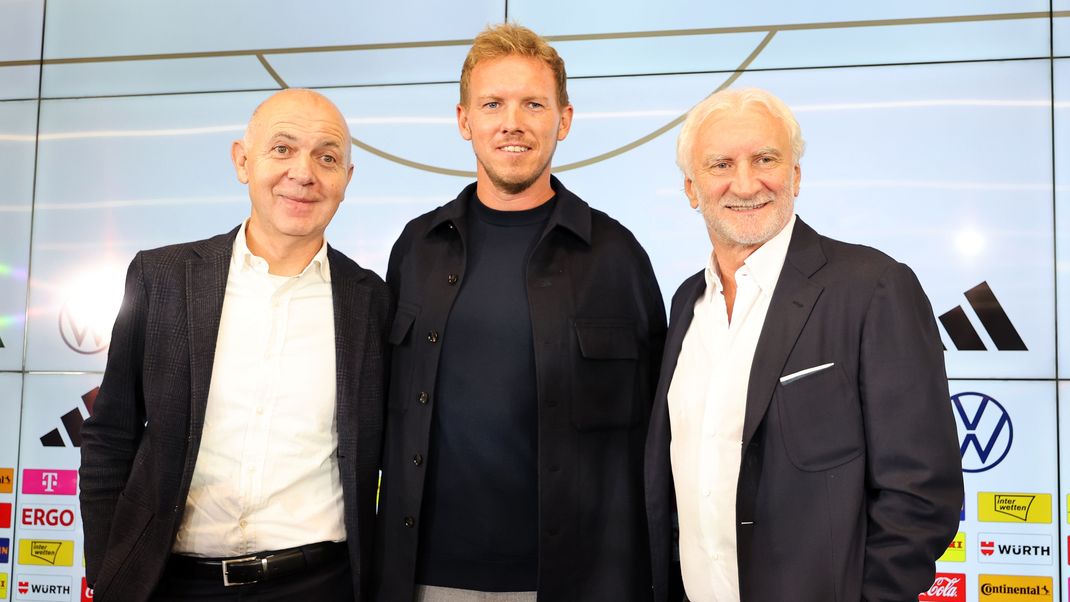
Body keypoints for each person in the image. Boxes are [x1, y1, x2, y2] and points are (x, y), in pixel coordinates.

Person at [376, 23, 666, 602]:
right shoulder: (417, 249)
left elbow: (659, 436)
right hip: (427, 579)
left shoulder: (617, 256)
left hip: (574, 582)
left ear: (563, 119)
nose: (513, 122)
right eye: (493, 104)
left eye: (534, 103)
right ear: (464, 120)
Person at [644, 87, 963, 601]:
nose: (745, 183)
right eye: (721, 164)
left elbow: (921, 494)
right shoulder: (686, 304)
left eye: (765, 159)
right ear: (691, 188)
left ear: (795, 175)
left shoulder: (873, 287)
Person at [79, 88, 391, 602]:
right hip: (172, 584)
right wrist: (108, 572)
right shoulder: (162, 278)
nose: (304, 173)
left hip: (321, 584)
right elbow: (111, 436)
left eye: (327, 157)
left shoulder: (373, 302)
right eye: (282, 149)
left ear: (346, 181)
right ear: (242, 161)